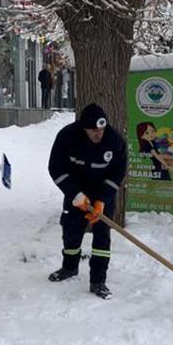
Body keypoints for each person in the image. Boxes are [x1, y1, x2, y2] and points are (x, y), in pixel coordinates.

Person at [47, 103, 127, 299]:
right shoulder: (67, 136)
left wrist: (102, 200)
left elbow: (118, 172)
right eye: (94, 131)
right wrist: (75, 194)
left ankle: (98, 280)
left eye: (101, 129)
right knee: (71, 231)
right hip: (76, 191)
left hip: (102, 192)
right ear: (84, 128)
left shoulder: (115, 140)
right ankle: (69, 267)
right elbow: (55, 168)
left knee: (102, 236)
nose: (99, 134)